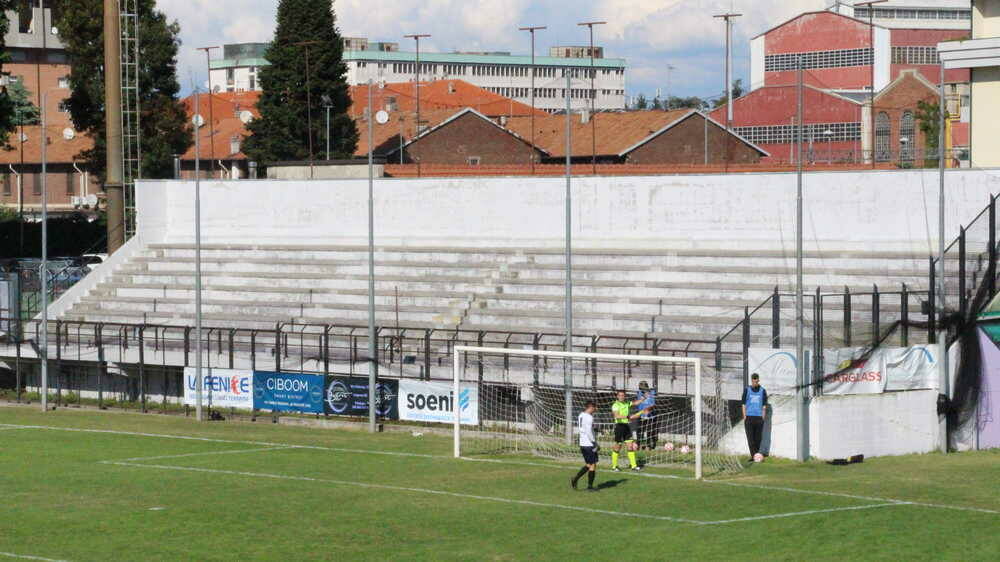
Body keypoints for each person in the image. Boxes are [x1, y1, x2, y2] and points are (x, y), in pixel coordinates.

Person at [611, 389, 646, 472]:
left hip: (626, 426)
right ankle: (614, 466)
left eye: (623, 395)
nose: (622, 397)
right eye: (620, 395)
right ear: (617, 396)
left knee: (630, 446)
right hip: (619, 427)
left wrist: (644, 398)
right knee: (618, 446)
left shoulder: (626, 403)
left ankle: (633, 466)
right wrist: (627, 417)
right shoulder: (615, 405)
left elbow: (635, 403)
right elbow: (616, 415)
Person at [572, 401, 599, 491]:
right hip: (589, 444)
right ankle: (589, 487)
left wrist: (593, 428)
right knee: (593, 465)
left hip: (582, 443)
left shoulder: (581, 415)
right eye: (595, 407)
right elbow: (588, 431)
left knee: (589, 464)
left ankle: (575, 479)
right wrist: (594, 442)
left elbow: (584, 428)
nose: (595, 409)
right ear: (591, 407)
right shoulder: (589, 417)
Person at [742, 373, 768, 462]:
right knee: (750, 439)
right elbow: (743, 404)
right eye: (753, 381)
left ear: (758, 380)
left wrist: (762, 418)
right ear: (751, 380)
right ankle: (753, 456)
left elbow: (764, 406)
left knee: (758, 439)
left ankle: (756, 455)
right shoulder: (747, 390)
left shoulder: (762, 391)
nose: (755, 383)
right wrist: (745, 416)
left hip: (758, 418)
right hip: (749, 417)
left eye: (756, 381)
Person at [635, 381, 657, 451]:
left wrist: (648, 409)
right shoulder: (639, 393)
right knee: (639, 430)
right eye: (640, 388)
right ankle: (638, 445)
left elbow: (653, 404)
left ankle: (648, 445)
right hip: (641, 415)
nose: (641, 390)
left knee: (649, 431)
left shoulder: (652, 393)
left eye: (642, 388)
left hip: (650, 416)